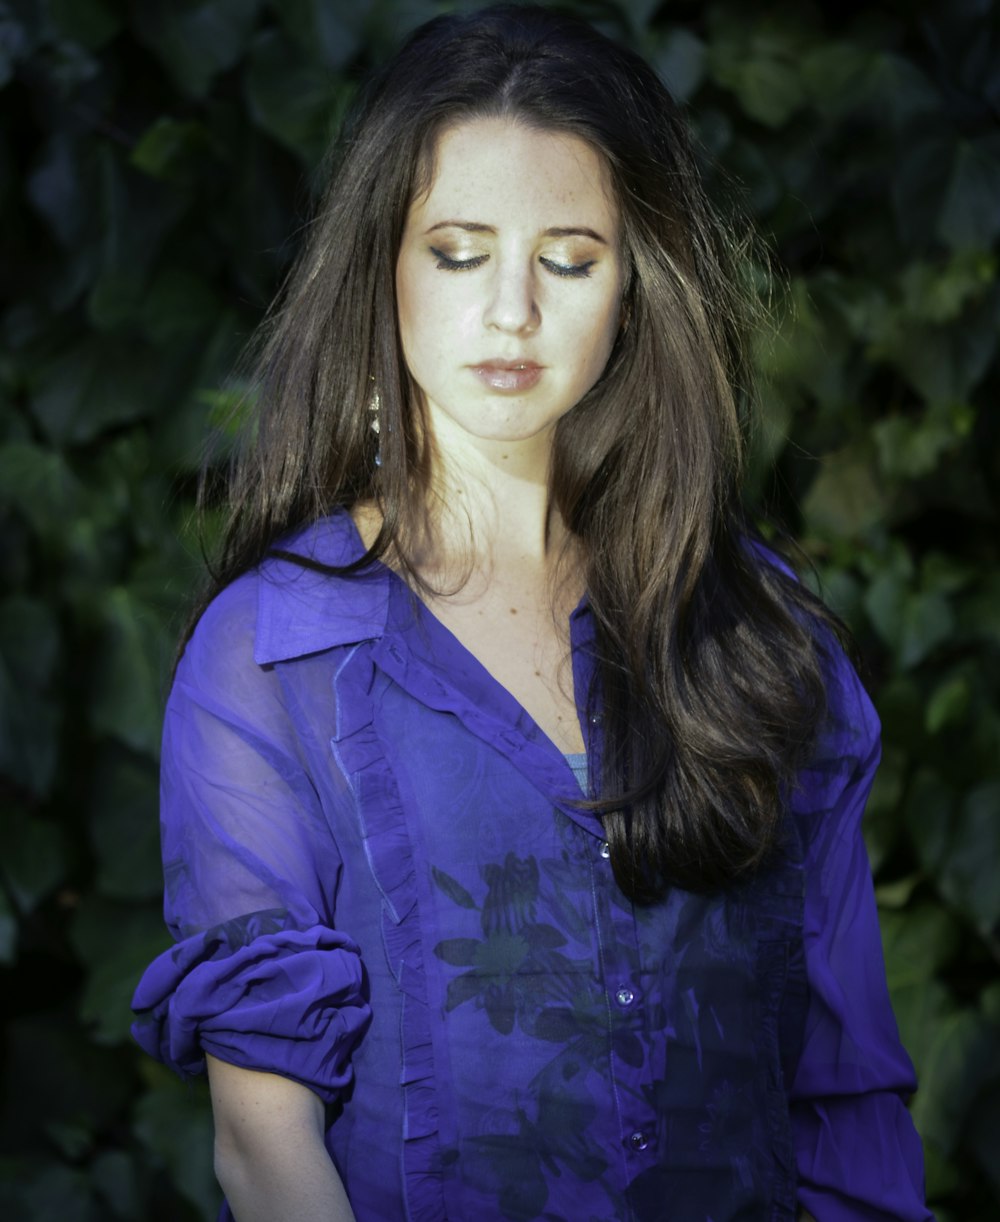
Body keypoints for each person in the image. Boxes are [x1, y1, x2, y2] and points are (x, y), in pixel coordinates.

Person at [131, 6, 933, 1220]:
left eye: (568, 257)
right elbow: (263, 1142)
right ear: (381, 268)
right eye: (457, 251)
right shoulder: (275, 652)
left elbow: (847, 1100)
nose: (511, 309)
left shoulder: (766, 641)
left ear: (633, 286)